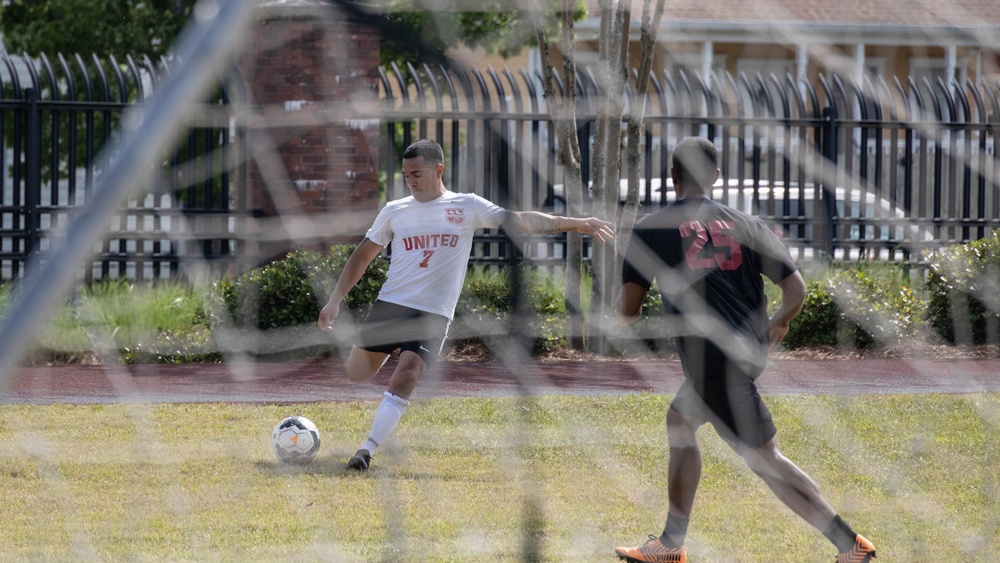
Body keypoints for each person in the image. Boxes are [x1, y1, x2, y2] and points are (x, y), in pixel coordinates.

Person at [613, 137, 876, 563]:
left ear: (672, 177)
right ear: (716, 178)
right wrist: (781, 322)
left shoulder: (652, 228)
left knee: (764, 458)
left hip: (714, 358)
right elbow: (796, 289)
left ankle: (851, 546)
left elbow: (627, 312)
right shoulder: (747, 223)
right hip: (745, 351)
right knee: (680, 421)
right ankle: (671, 544)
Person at [317, 138, 614, 472]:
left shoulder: (466, 206)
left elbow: (519, 219)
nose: (411, 180)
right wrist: (334, 301)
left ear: (438, 170)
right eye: (406, 175)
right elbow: (363, 256)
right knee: (357, 373)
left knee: (409, 372)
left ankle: (366, 451)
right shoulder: (394, 210)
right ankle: (388, 353)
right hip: (392, 304)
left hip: (433, 313)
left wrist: (576, 223)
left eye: (416, 173)